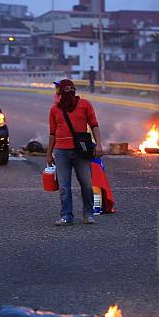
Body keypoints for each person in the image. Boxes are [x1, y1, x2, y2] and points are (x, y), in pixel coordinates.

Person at [47, 79, 103, 226]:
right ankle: (66, 216)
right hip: (61, 152)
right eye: (65, 90)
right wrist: (48, 153)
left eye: (70, 90)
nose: (68, 93)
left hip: (81, 151)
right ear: (61, 93)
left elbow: (94, 125)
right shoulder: (54, 109)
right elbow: (52, 133)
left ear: (74, 91)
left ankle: (89, 214)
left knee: (86, 184)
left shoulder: (85, 104)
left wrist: (99, 145)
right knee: (64, 186)